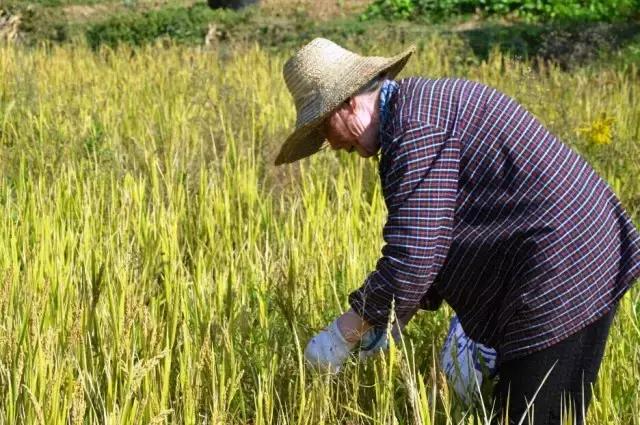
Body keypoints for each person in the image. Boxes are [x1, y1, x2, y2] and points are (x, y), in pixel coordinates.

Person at [274, 38, 640, 425]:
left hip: (563, 261)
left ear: (346, 103)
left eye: (323, 128)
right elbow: (438, 239)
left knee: (532, 415)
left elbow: (414, 257)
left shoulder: (414, 127)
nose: (331, 145)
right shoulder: (415, 113)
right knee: (557, 412)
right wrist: (391, 317)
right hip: (583, 248)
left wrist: (343, 332)